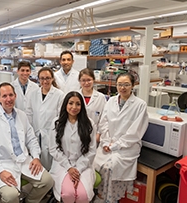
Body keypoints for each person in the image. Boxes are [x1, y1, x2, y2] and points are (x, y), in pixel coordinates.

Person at [0, 82, 54, 203]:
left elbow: (31, 139)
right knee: (12, 196)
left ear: (15, 96)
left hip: (24, 161)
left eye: (11, 95)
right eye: (4, 96)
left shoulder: (21, 115)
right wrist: (1, 171)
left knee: (48, 181)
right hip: (2, 164)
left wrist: (35, 157)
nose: (8, 99)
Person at [93, 72, 149, 203]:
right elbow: (103, 122)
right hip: (107, 143)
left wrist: (115, 145)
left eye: (126, 85)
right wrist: (106, 142)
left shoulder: (140, 105)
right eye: (120, 84)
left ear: (133, 86)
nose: (122, 88)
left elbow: (135, 132)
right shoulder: (111, 101)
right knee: (95, 163)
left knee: (109, 168)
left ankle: (110, 198)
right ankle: (100, 194)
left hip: (126, 147)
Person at [49, 91, 96, 203]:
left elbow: (91, 151)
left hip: (83, 166)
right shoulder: (56, 123)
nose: (74, 107)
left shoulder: (89, 124)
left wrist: (78, 169)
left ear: (82, 106)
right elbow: (53, 148)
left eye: (78, 104)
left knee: (82, 196)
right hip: (62, 165)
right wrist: (69, 167)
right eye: (70, 103)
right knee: (68, 194)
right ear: (65, 104)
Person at [26, 67, 64, 170]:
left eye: (47, 78)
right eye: (42, 78)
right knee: (36, 163)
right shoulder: (33, 94)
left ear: (52, 79)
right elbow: (29, 114)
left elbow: (61, 117)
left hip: (51, 135)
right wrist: (29, 132)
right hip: (35, 133)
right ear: (38, 79)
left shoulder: (59, 95)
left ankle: (50, 184)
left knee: (50, 165)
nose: (45, 81)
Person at [78, 68, 106, 144]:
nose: (86, 83)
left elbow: (104, 118)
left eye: (89, 80)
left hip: (94, 134)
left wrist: (99, 133)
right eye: (83, 80)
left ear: (93, 80)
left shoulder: (101, 97)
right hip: (76, 133)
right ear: (79, 81)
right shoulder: (75, 96)